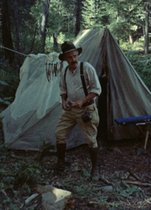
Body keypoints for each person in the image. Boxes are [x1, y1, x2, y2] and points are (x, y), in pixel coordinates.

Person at [55, 41, 102, 178]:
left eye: (75, 56)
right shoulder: (64, 72)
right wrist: (64, 101)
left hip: (86, 110)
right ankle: (61, 163)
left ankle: (94, 169)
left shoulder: (86, 68)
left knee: (91, 139)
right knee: (60, 134)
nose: (73, 59)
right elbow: (62, 89)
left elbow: (96, 89)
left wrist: (82, 101)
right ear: (64, 59)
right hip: (70, 110)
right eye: (70, 57)